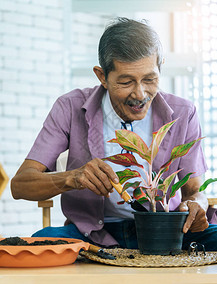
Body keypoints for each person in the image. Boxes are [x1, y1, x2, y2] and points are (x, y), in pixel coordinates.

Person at [11, 17, 217, 250]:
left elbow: (194, 191)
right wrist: (72, 178)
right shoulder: (69, 107)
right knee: (37, 242)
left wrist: (196, 205)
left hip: (167, 231)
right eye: (126, 81)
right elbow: (20, 185)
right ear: (102, 77)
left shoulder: (183, 113)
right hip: (93, 233)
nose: (140, 94)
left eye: (150, 79)